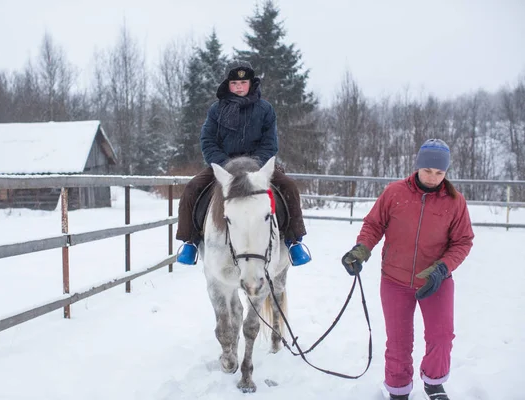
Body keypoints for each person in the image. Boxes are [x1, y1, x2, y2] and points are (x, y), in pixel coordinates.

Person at [341, 139, 474, 400]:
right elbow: (374, 225)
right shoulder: (395, 193)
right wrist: (361, 249)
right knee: (399, 341)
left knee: (442, 336)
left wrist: (442, 268)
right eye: (428, 170)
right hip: (395, 279)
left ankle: (434, 383)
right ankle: (399, 390)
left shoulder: (455, 202)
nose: (433, 177)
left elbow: (463, 241)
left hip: (436, 280)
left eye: (440, 173)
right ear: (418, 167)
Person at [176, 60, 311, 266]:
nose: (239, 87)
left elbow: (270, 144)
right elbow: (207, 140)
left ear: (251, 83)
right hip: (223, 167)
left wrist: (254, 166)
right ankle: (190, 241)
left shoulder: (265, 109)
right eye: (234, 83)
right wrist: (223, 166)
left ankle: (294, 241)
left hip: (258, 167)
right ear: (228, 84)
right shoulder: (216, 110)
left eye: (243, 82)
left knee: (289, 187)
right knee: (192, 189)